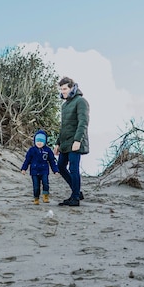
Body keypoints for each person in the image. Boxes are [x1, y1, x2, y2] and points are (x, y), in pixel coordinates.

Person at [54, 77, 89, 206]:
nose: (63, 92)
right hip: (65, 142)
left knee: (73, 169)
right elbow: (63, 127)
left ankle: (75, 198)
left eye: (65, 89)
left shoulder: (81, 101)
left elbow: (83, 122)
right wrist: (58, 143)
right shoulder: (65, 105)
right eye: (61, 89)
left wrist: (77, 140)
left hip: (75, 142)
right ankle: (77, 192)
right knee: (61, 167)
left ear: (72, 88)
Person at [21, 129, 59, 204]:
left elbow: (52, 161)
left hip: (44, 170)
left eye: (41, 141)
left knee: (45, 183)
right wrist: (24, 169)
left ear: (45, 142)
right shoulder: (32, 150)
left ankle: (45, 196)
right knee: (36, 186)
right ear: (35, 141)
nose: (39, 143)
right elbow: (27, 160)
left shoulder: (48, 150)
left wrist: (55, 170)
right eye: (37, 141)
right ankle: (36, 198)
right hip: (34, 171)